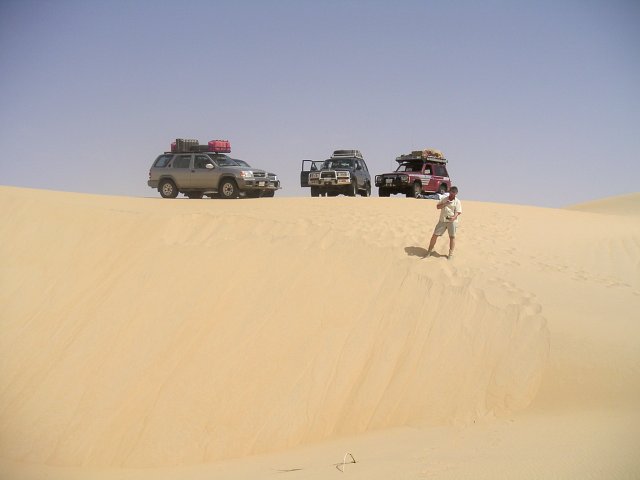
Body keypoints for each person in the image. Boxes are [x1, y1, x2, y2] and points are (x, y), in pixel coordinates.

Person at [425, 186, 462, 259]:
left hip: (452, 222)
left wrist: (454, 217)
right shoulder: (444, 199)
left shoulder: (457, 201)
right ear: (449, 192)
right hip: (442, 220)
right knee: (435, 235)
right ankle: (429, 250)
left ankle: (450, 254)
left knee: (452, 237)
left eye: (454, 193)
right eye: (451, 192)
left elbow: (458, 212)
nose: (452, 194)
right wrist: (445, 204)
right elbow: (438, 207)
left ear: (456, 193)